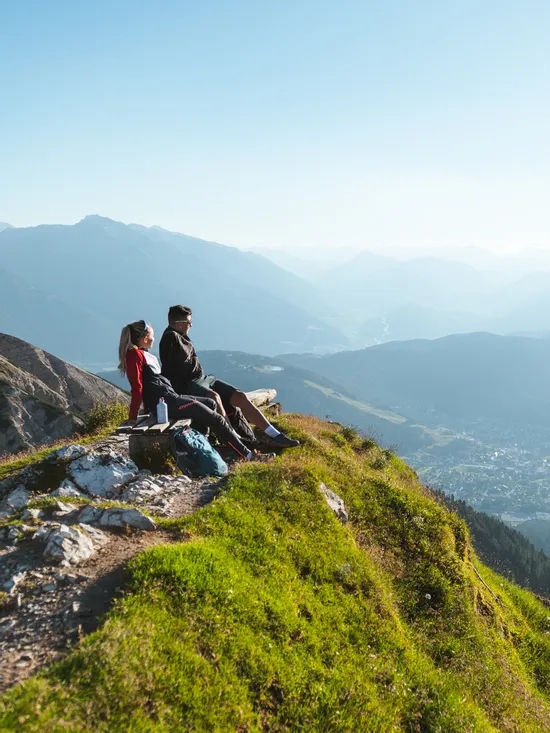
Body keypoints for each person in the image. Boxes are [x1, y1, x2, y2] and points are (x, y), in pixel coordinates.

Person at [118, 319, 261, 460]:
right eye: (151, 335)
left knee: (211, 403)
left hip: (171, 398)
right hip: (168, 402)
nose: (153, 338)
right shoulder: (134, 355)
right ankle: (248, 455)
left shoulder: (144, 354)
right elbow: (137, 388)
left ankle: (204, 447)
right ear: (144, 338)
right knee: (216, 418)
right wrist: (133, 417)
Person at [159, 305, 300, 448]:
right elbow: (170, 369)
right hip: (187, 384)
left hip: (203, 379)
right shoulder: (170, 338)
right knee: (215, 397)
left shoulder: (181, 335)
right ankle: (234, 437)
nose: (191, 325)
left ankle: (275, 434)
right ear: (178, 323)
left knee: (240, 396)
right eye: (188, 322)